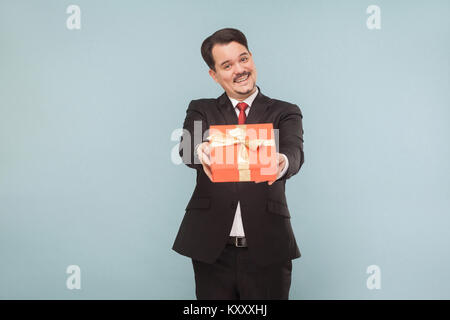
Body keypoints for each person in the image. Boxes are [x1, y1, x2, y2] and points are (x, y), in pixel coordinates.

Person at [172, 28, 305, 300]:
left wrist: (281, 161)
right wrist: (201, 150)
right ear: (214, 74)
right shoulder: (201, 109)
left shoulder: (285, 111)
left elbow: (294, 153)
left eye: (243, 59)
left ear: (252, 58)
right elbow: (186, 149)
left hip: (268, 247)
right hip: (211, 248)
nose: (239, 70)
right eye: (227, 65)